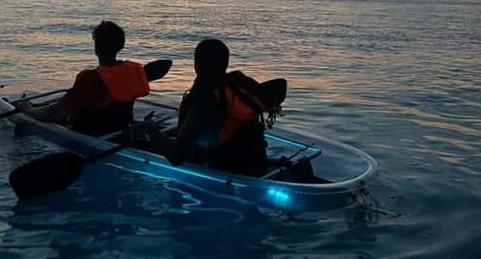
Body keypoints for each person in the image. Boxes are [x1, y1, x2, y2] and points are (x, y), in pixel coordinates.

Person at [140, 38, 284, 177]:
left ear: (197, 64)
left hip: (222, 175)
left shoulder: (205, 100)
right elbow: (202, 128)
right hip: (255, 167)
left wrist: (150, 130)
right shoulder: (236, 91)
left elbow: (177, 156)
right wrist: (166, 133)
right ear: (225, 63)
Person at [18, 20, 150, 136]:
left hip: (91, 133)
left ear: (96, 48)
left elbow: (54, 114)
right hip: (120, 127)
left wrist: (27, 110)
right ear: (121, 46)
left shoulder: (91, 78)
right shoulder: (132, 71)